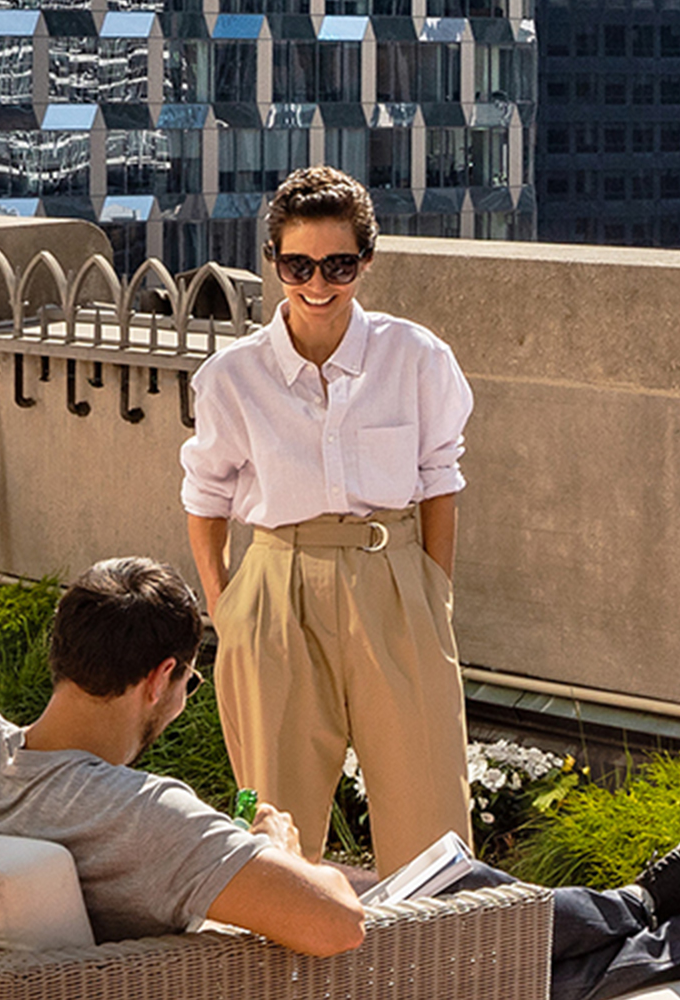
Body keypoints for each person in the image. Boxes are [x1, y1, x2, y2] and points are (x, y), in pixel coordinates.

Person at [0, 558, 680, 1000]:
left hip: (125, 985)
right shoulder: (142, 817)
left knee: (448, 880)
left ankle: (650, 903)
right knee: (469, 917)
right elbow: (334, 927)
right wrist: (276, 844)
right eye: (188, 684)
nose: (184, 700)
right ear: (157, 681)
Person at [180, 165, 473, 874]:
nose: (317, 283)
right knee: (271, 820)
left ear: (366, 260)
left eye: (339, 264)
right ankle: (275, 972)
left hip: (396, 582)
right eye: (298, 264)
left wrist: (432, 591)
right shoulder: (232, 376)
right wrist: (229, 610)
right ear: (273, 261)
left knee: (431, 808)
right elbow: (206, 497)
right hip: (275, 585)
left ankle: (434, 976)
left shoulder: (416, 357)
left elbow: (440, 478)